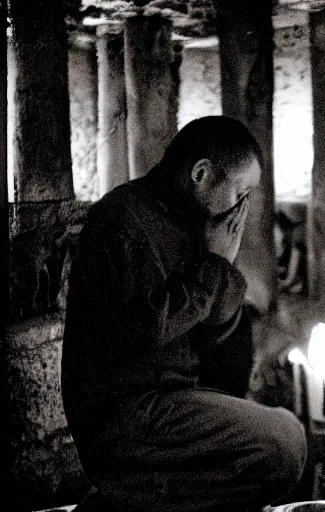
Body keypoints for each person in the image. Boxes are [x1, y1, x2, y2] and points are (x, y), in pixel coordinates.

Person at [61, 116, 307, 512]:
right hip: (126, 414)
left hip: (171, 404)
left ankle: (139, 499)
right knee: (282, 444)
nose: (241, 209)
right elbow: (149, 330)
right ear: (201, 173)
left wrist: (223, 263)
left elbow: (214, 332)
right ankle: (120, 501)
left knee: (285, 439)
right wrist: (211, 265)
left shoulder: (195, 224)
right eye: (239, 193)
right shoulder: (123, 219)